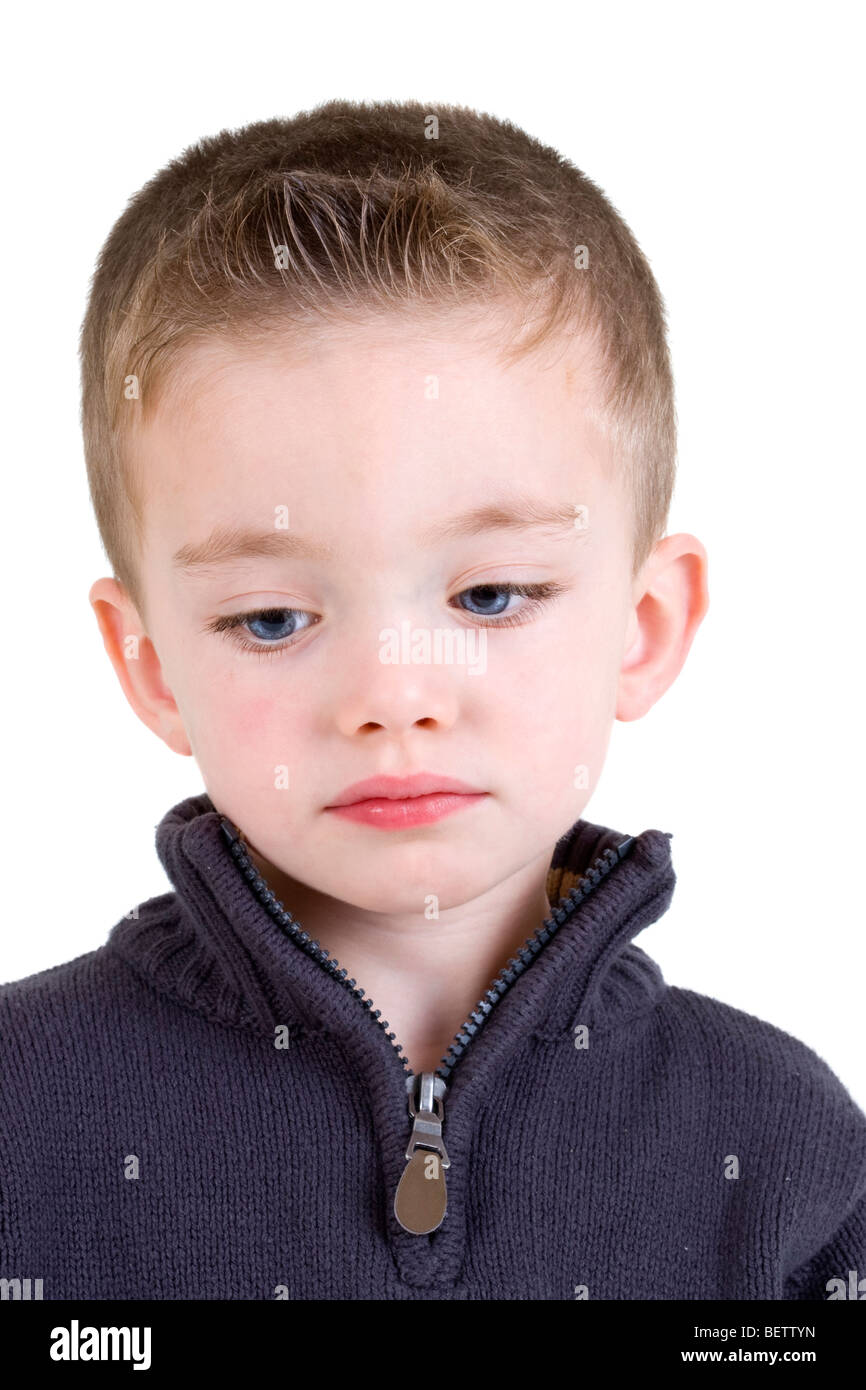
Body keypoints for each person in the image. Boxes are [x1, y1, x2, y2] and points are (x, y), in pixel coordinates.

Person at [1, 99, 863, 1300]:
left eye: (492, 595)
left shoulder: (784, 1151)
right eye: (271, 619)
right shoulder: (20, 1118)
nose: (392, 695)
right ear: (149, 665)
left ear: (644, 627)